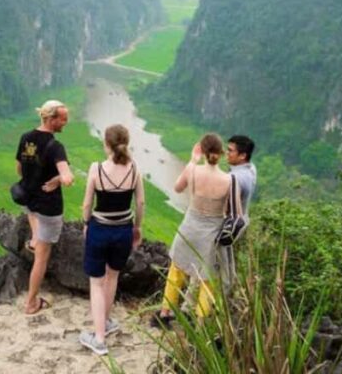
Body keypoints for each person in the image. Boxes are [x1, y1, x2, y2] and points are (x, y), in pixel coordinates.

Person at [153, 133, 240, 326]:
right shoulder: (229, 180)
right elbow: (235, 213)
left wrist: (193, 160)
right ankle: (200, 323)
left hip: (189, 228)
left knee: (177, 270)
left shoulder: (193, 170)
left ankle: (165, 312)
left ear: (203, 150)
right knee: (207, 279)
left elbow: (177, 188)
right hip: (211, 235)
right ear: (221, 154)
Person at [79, 125, 145, 356]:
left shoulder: (96, 169)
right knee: (113, 277)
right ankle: (105, 322)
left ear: (106, 144)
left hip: (100, 228)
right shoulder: (134, 169)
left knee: (96, 283)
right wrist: (137, 227)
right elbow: (140, 203)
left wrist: (86, 223)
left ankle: (98, 339)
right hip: (123, 230)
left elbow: (87, 204)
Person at [15, 100, 74, 315]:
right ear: (51, 119)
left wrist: (33, 180)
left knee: (33, 218)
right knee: (41, 257)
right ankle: (31, 302)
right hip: (49, 207)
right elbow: (67, 178)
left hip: (29, 200)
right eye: (63, 119)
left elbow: (19, 168)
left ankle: (34, 238)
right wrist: (60, 178)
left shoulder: (26, 138)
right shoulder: (55, 147)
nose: (65, 123)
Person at [226, 134, 257, 220]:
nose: (227, 153)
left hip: (231, 225)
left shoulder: (234, 178)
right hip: (243, 219)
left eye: (230, 150)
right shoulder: (251, 169)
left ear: (243, 156)